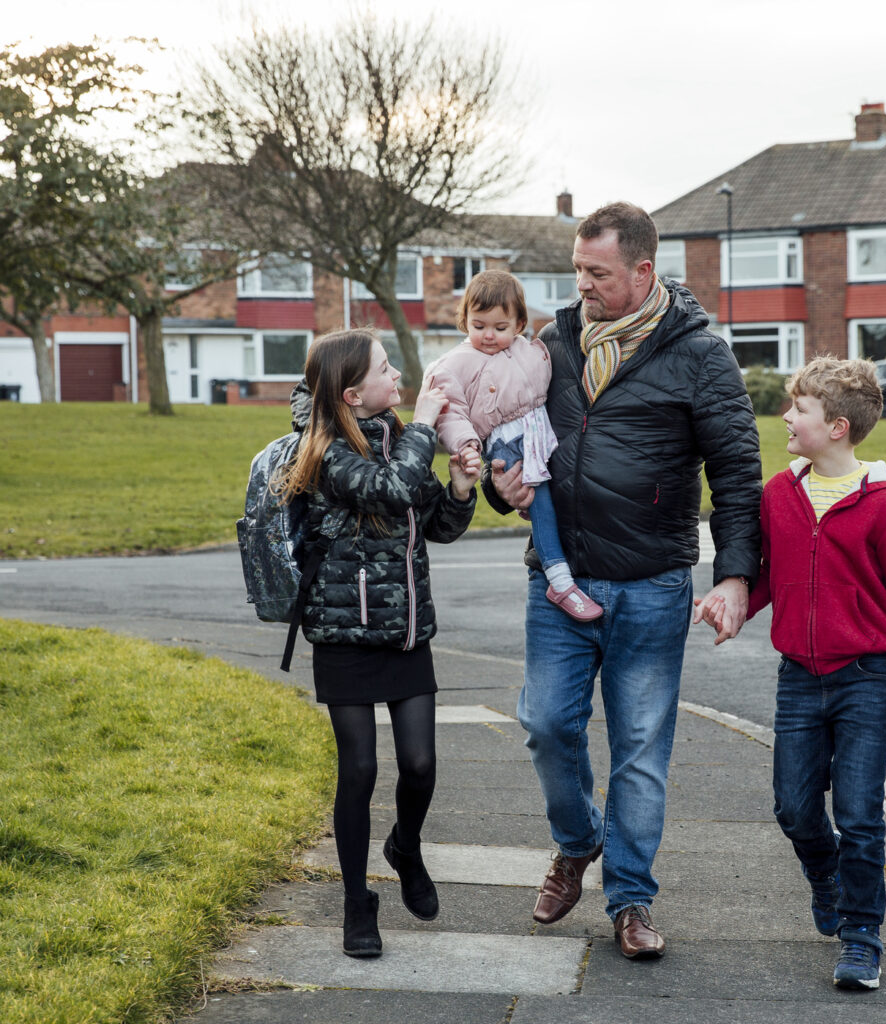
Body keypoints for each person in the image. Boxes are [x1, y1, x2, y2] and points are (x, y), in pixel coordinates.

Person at [486, 202, 762, 959]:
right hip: (560, 579)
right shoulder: (549, 346)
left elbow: (738, 472)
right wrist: (497, 486)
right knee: (546, 724)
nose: (583, 287)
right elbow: (509, 440)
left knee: (640, 749)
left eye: (597, 273)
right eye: (577, 270)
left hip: (652, 584)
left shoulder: (701, 354)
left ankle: (631, 901)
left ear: (643, 271)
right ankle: (578, 842)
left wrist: (735, 575)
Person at [702, 355, 886, 990]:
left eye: (798, 408)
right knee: (794, 807)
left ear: (836, 426)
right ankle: (826, 875)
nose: (786, 416)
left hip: (864, 678)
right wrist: (736, 604)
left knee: (860, 814)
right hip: (798, 680)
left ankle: (862, 937)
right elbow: (775, 573)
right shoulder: (782, 493)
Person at [276, 328, 479, 958]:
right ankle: (356, 902)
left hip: (405, 629)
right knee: (359, 769)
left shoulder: (395, 435)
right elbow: (387, 490)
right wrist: (424, 428)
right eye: (387, 369)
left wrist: (462, 487)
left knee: (419, 764)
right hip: (343, 632)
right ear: (352, 392)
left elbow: (433, 524)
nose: (399, 377)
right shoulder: (325, 449)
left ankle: (406, 847)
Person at [427, 269, 601, 622]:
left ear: (519, 323)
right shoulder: (454, 363)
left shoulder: (530, 348)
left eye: (500, 327)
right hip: (507, 439)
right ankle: (558, 577)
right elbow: (451, 412)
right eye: (478, 326)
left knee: (560, 492)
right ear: (464, 321)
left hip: (538, 432)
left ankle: (571, 560)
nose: (488, 335)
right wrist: (467, 445)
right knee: (541, 500)